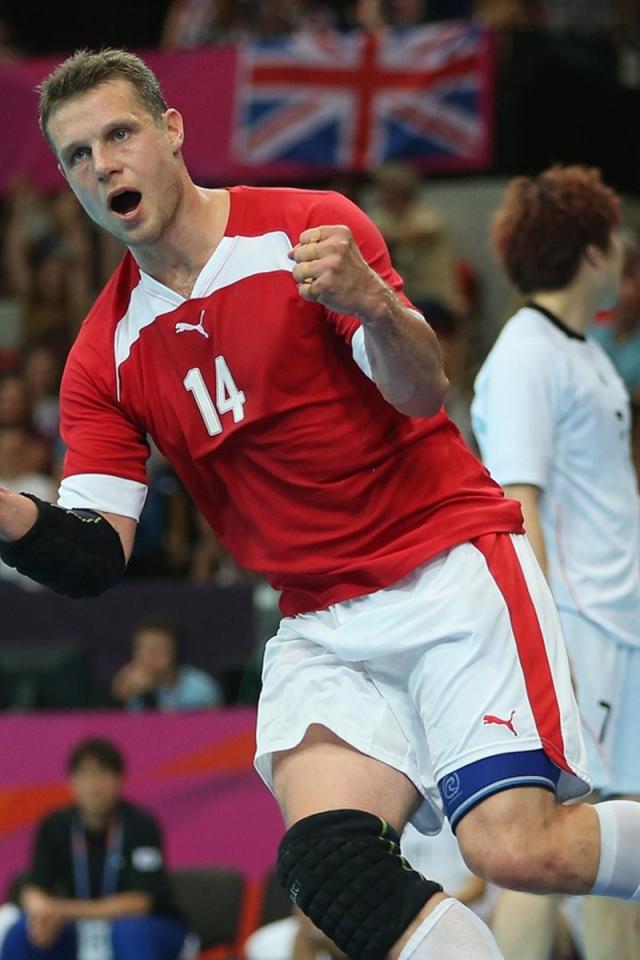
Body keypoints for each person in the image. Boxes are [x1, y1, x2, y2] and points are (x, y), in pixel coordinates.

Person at [2, 49, 640, 960]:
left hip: (444, 572)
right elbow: (94, 556)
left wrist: (374, 304)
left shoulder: (306, 230)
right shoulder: (103, 353)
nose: (102, 165)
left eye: (119, 135)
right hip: (320, 620)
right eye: (76, 155)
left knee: (518, 851)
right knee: (330, 868)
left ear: (172, 131)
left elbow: (422, 393)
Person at [471, 165, 640, 960]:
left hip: (620, 631)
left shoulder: (588, 354)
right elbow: (516, 504)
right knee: (545, 852)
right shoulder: (525, 356)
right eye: (618, 234)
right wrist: (545, 643)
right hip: (575, 630)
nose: (627, 247)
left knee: (616, 851)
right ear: (594, 247)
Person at [0, 738, 186, 960]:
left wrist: (63, 910)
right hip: (76, 928)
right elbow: (32, 889)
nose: (95, 785)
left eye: (103, 774)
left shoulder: (141, 825)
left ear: (119, 779)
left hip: (145, 927)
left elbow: (139, 903)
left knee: (130, 931)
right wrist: (42, 912)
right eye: (86, 775)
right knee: (22, 931)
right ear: (72, 781)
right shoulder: (55, 825)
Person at [111, 615, 223, 710]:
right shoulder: (130, 686)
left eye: (158, 648)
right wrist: (118, 698)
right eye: (141, 648)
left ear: (176, 652)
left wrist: (150, 695)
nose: (148, 656)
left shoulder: (200, 688)